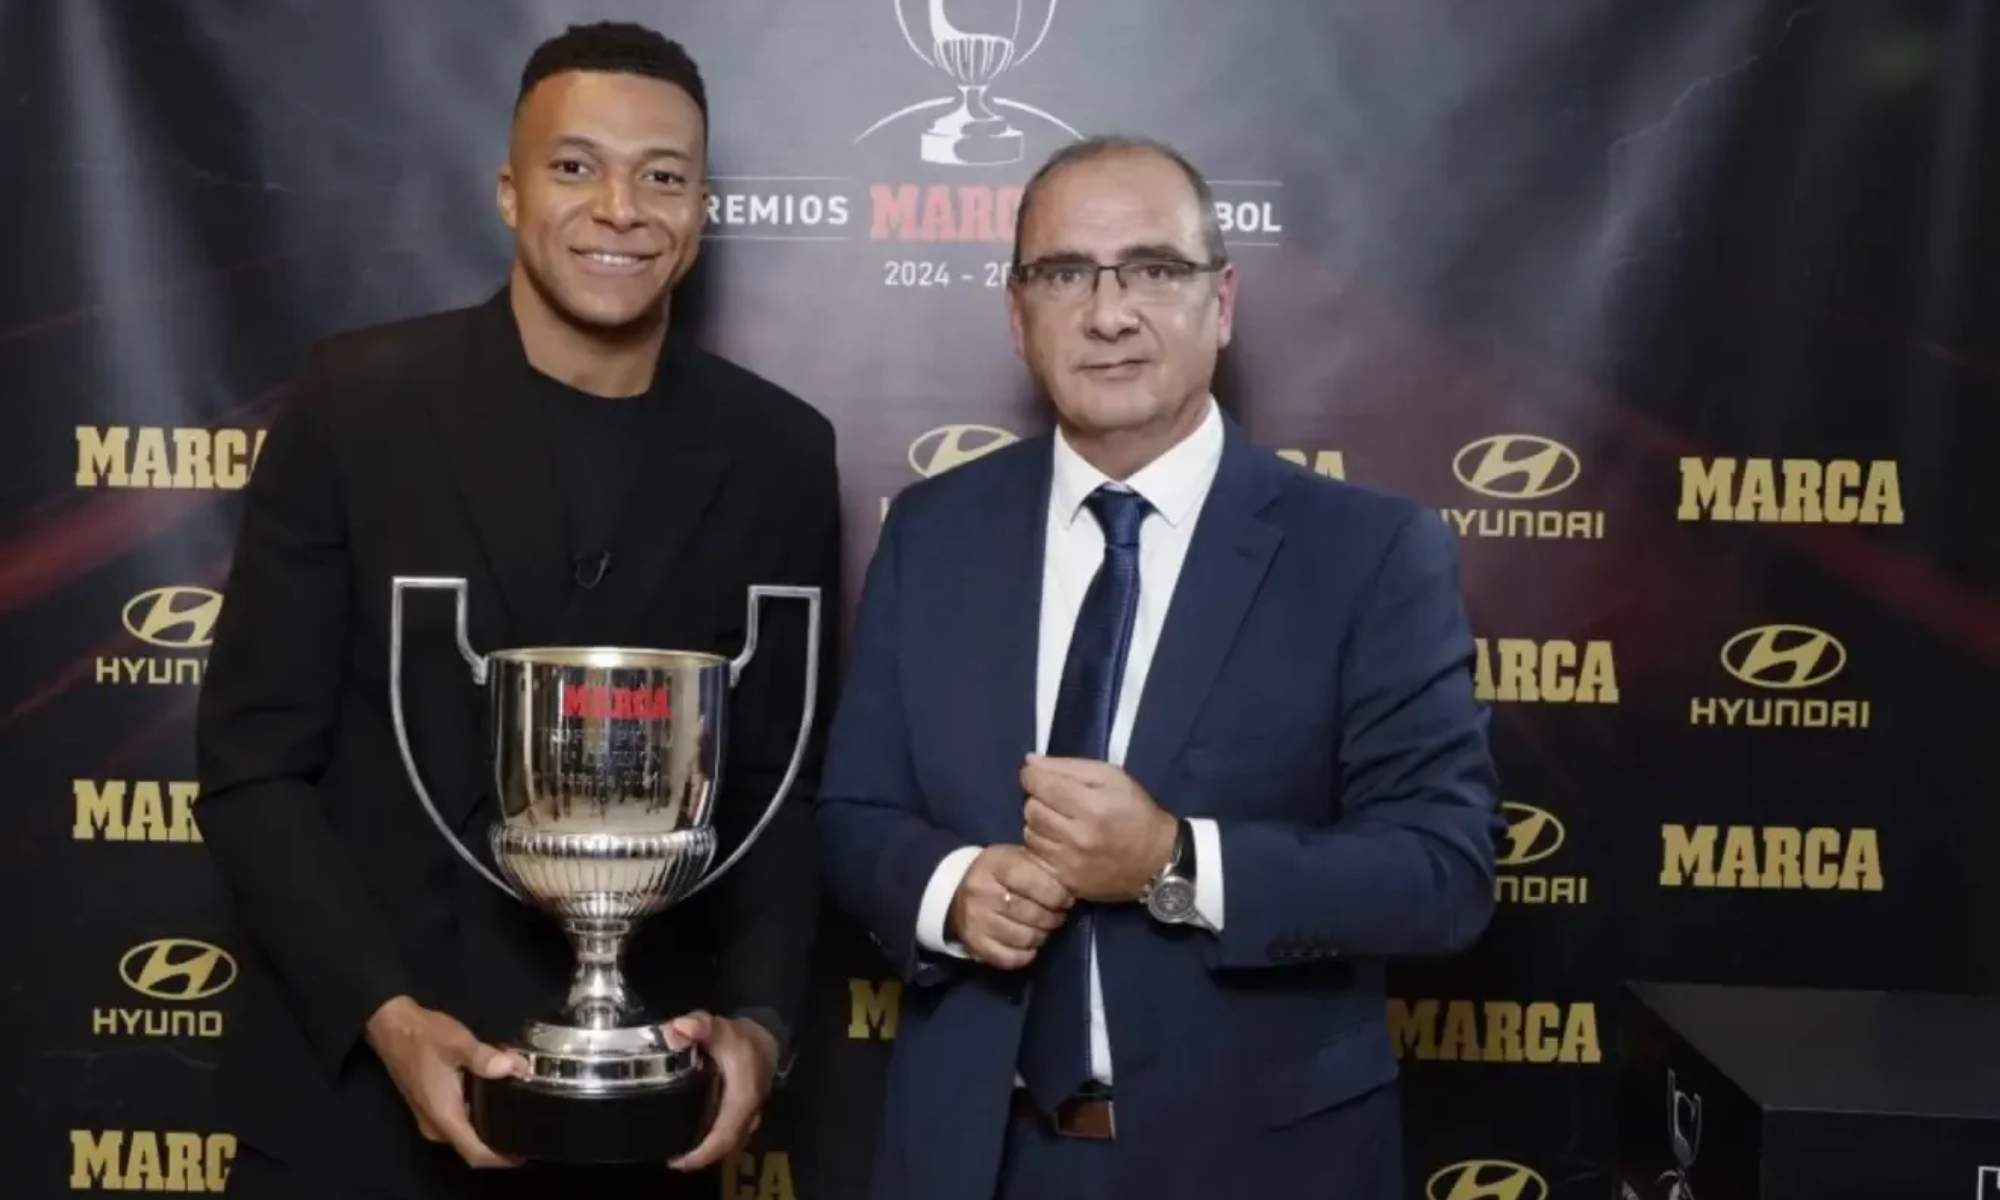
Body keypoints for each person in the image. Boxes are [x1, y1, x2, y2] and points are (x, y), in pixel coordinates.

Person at [196, 22, 835, 1198]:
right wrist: (389, 1021)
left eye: (663, 175)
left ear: (700, 212)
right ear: (508, 189)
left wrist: (758, 1025)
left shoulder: (782, 452)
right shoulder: (357, 407)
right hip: (359, 1121)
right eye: (574, 165)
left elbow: (778, 796)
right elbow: (252, 767)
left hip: (644, 1123)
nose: (620, 208)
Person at [815, 135, 1501, 1199]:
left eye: (1152, 269)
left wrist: (1173, 864)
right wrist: (948, 890)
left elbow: (1441, 873)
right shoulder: (932, 533)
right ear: (1016, 313)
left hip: (1255, 1166)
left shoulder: (1366, 555)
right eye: (1062, 274)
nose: (1106, 312)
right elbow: (854, 812)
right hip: (965, 1157)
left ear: (1220, 302)